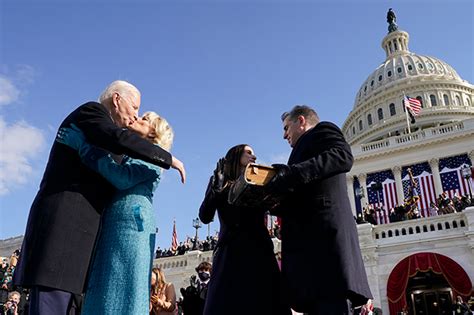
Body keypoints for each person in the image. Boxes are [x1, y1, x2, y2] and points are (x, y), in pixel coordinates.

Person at [13, 80, 186, 315]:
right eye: (135, 108)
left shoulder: (139, 155)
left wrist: (165, 157)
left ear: (155, 134)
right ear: (117, 99)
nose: (136, 116)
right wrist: (168, 158)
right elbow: (116, 139)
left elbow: (119, 174)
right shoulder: (92, 112)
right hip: (64, 235)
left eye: (142, 116)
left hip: (115, 232)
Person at [56, 112, 176, 314]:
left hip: (132, 226)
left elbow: (121, 178)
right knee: (106, 284)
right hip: (113, 222)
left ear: (154, 132)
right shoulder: (129, 153)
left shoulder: (153, 156)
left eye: (145, 119)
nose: (138, 117)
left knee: (125, 286)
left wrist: (84, 147)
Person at [267, 105, 372, 314]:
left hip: (324, 245)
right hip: (307, 257)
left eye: (287, 128)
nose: (284, 135)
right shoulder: (298, 152)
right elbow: (303, 193)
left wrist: (290, 174)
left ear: (302, 121)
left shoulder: (323, 130)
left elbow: (343, 156)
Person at [199, 144, 291, 315]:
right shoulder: (218, 181)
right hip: (231, 252)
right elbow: (205, 216)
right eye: (248, 153)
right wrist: (216, 191)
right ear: (236, 156)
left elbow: (276, 207)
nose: (254, 156)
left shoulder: (259, 180)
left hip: (259, 250)